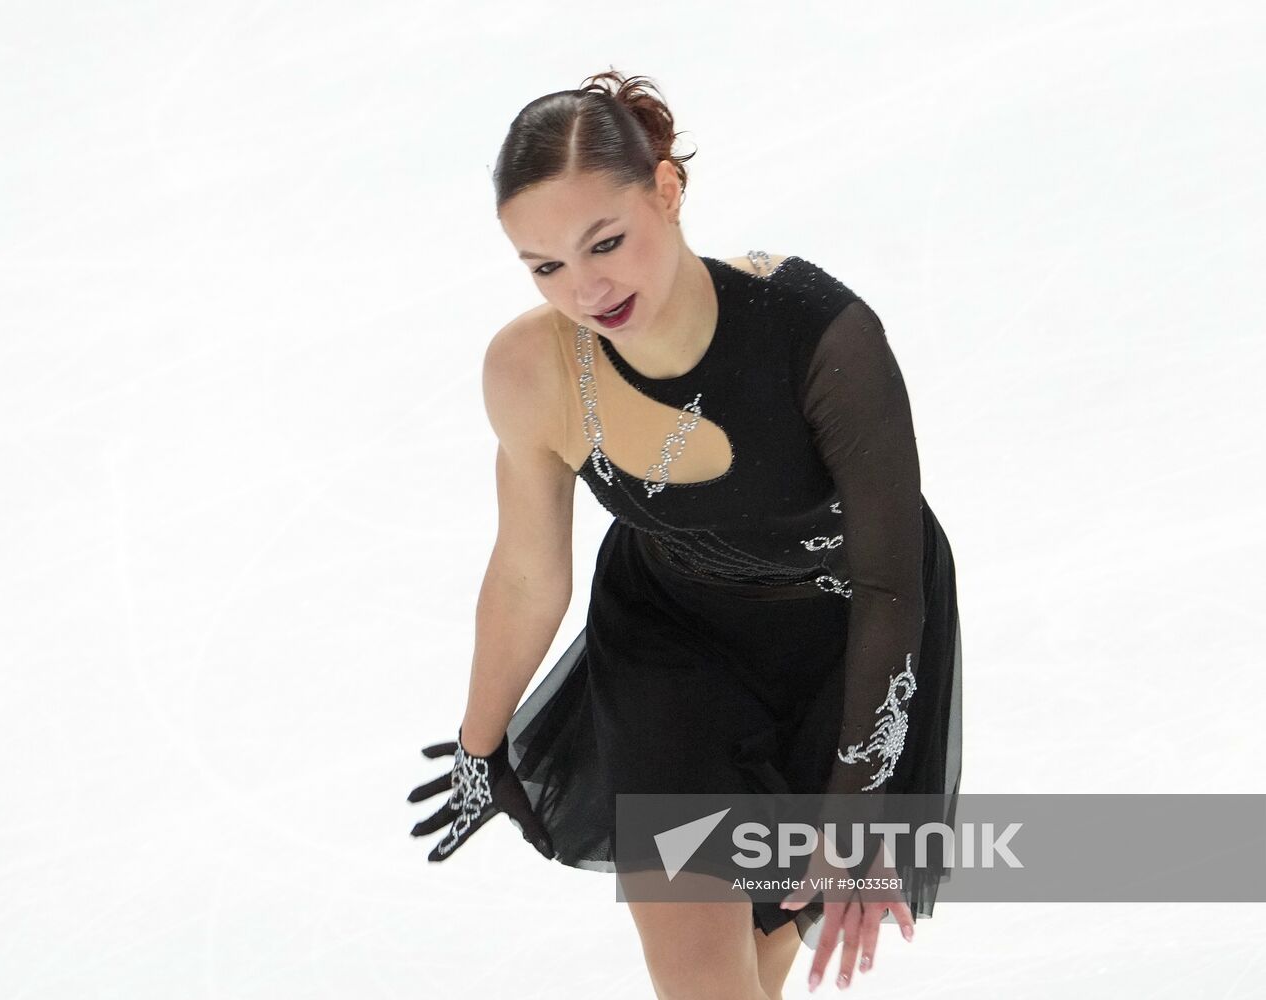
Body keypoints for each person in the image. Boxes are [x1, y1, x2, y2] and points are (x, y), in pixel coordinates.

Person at [407, 69, 962, 998]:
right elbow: (526, 573)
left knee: (759, 968)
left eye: (604, 243)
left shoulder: (816, 333)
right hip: (669, 647)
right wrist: (479, 743)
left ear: (666, 190)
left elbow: (889, 586)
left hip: (848, 651)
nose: (585, 288)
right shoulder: (531, 370)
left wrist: (855, 807)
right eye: (545, 267)